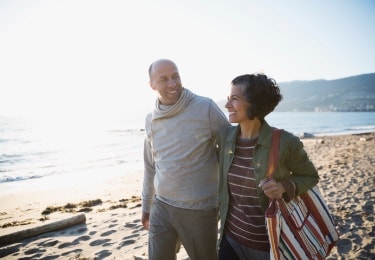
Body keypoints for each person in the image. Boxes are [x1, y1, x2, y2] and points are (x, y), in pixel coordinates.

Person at [216, 74, 320, 259]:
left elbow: (310, 176)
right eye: (228, 98)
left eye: (234, 99)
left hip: (269, 245)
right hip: (230, 239)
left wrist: (284, 187)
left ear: (254, 103)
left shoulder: (285, 142)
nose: (227, 105)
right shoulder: (225, 137)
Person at [142, 59, 229, 260]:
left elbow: (230, 148)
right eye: (164, 79)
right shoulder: (150, 119)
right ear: (152, 85)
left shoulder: (204, 108)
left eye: (176, 76)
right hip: (161, 207)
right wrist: (147, 206)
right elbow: (150, 166)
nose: (172, 84)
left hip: (200, 210)